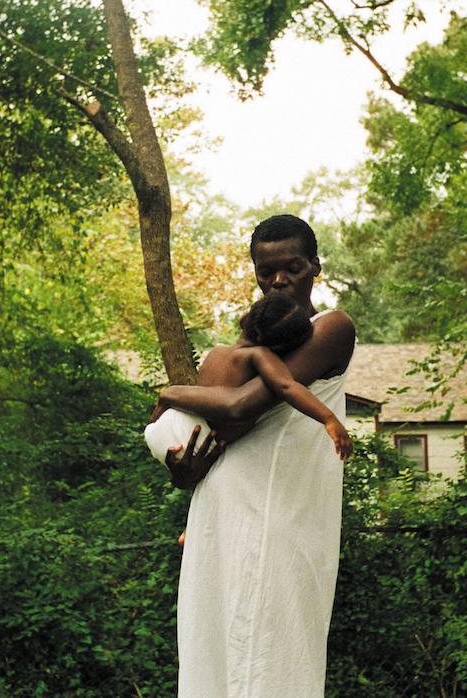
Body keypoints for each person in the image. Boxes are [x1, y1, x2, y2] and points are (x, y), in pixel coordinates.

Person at [152, 214, 356, 698]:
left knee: (271, 658)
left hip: (280, 518)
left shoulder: (331, 328)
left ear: (316, 267)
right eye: (266, 272)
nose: (279, 280)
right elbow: (216, 434)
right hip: (220, 516)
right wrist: (182, 472)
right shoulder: (253, 340)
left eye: (293, 267)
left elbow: (242, 407)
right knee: (213, 656)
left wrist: (168, 390)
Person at [144, 291, 352, 470]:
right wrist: (328, 418)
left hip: (165, 426)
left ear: (244, 319)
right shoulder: (258, 354)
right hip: (191, 442)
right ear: (281, 351)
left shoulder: (216, 352)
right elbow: (286, 385)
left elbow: (203, 394)